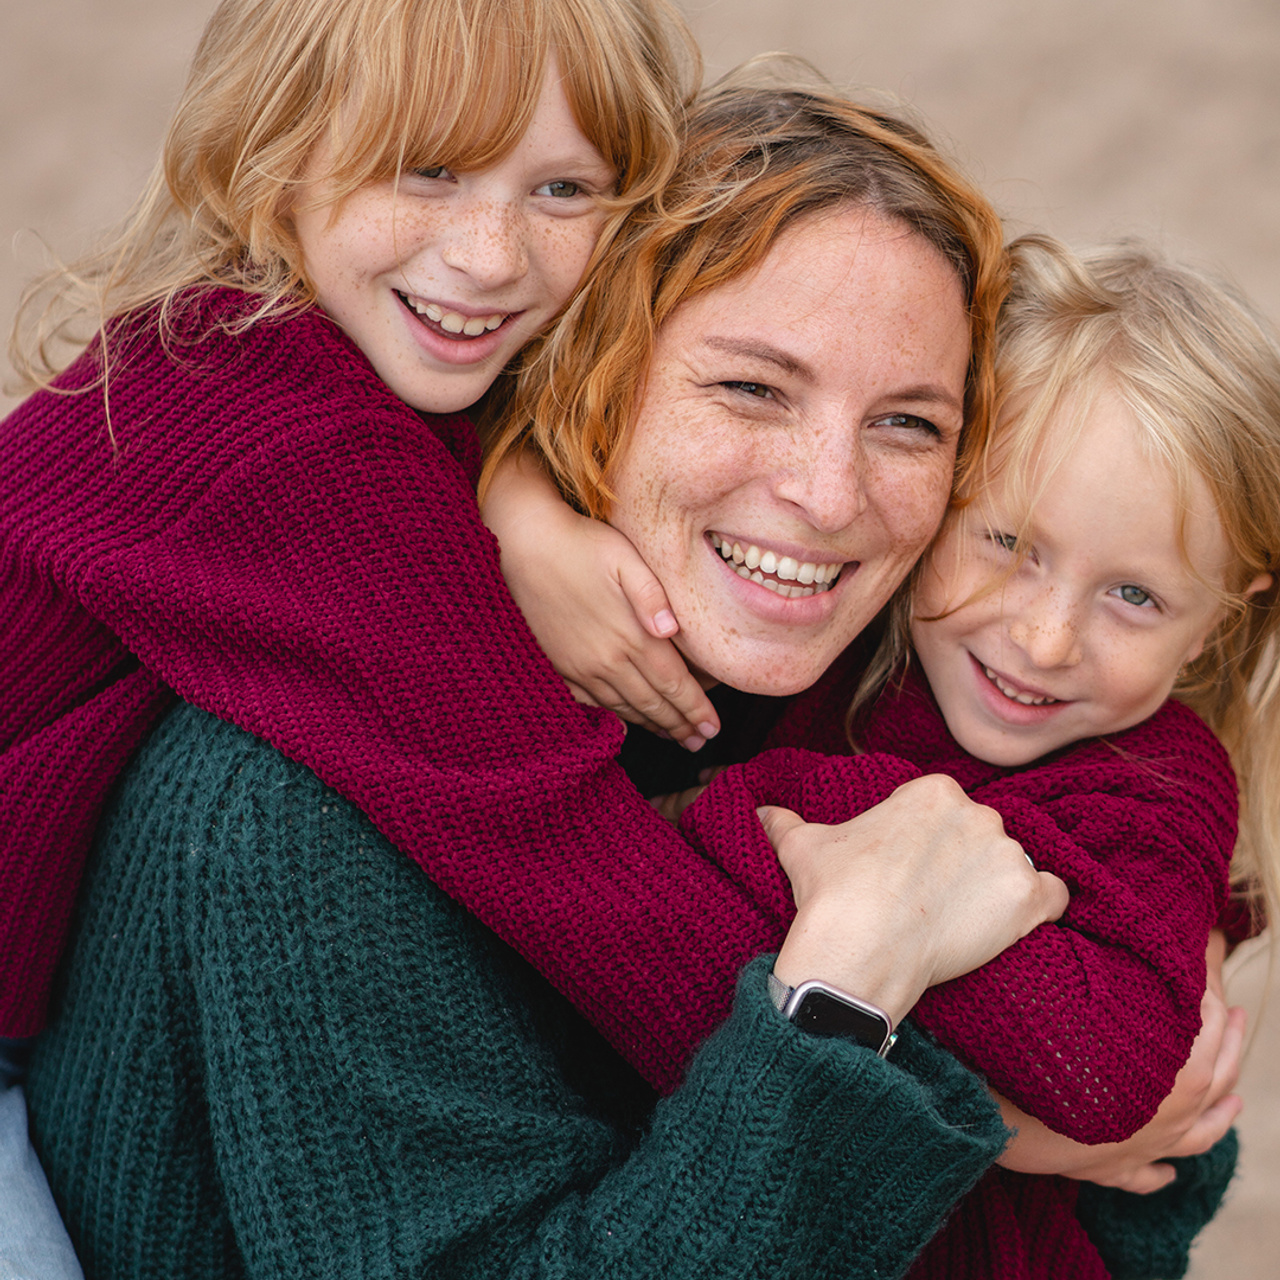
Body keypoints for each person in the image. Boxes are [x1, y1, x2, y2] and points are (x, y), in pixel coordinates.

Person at [497, 229, 1280, 1276]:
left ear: (1222, 617)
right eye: (1008, 545)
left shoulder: (1157, 785)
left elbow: (1105, 1072)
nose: (1044, 639)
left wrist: (773, 814)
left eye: (1133, 595)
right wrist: (520, 511)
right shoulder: (846, 637)